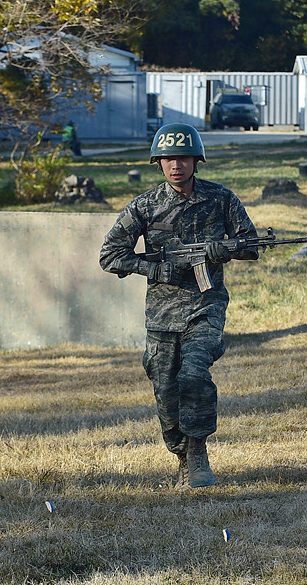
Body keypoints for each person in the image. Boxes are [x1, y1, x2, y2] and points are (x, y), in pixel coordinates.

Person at [99, 123, 258, 488]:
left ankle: (199, 451)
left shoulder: (221, 199)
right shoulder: (145, 206)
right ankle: (182, 454)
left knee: (194, 375)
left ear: (196, 161)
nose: (176, 166)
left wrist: (225, 250)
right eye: (169, 158)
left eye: (183, 157)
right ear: (158, 162)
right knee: (166, 392)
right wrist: (153, 268)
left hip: (206, 305)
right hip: (162, 314)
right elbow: (110, 255)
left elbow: (250, 244)